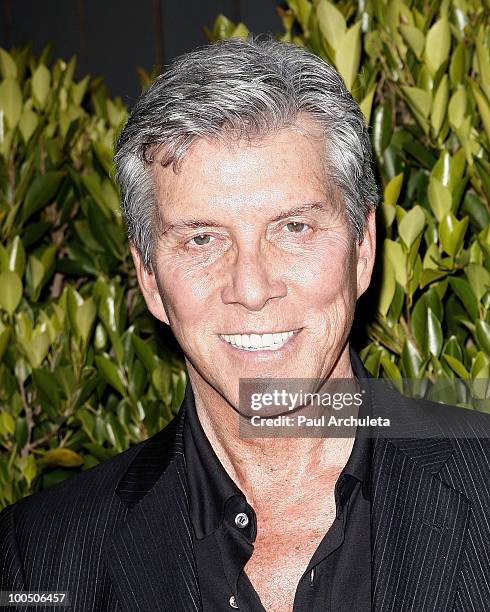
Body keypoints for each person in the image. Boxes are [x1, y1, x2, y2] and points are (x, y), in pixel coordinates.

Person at [1, 35, 489, 612]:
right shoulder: (36, 557)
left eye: (293, 228)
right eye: (202, 239)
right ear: (150, 277)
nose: (252, 289)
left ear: (362, 249)